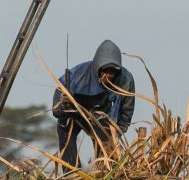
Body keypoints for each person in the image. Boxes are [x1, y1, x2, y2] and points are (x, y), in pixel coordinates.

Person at [52, 39, 136, 168]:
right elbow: (56, 112)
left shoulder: (125, 80)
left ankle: (104, 173)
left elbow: (126, 111)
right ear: (97, 67)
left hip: (100, 116)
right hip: (74, 114)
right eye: (105, 70)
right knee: (64, 128)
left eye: (112, 72)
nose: (108, 75)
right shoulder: (77, 74)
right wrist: (63, 105)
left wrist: (116, 134)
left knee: (106, 140)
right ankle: (71, 175)